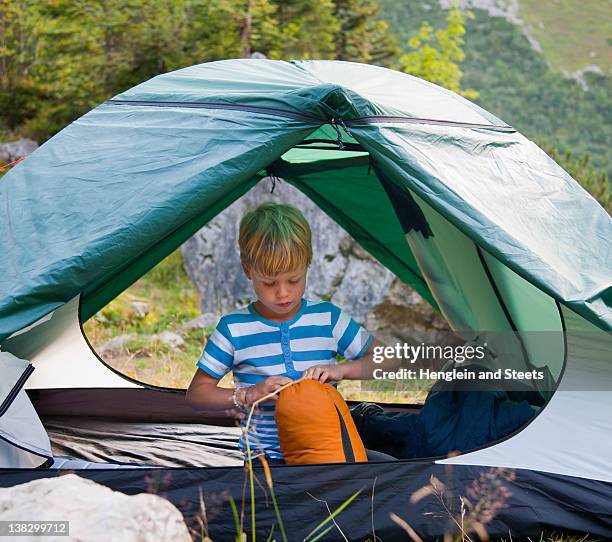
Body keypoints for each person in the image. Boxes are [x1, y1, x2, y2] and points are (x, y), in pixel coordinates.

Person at [186, 201, 387, 464]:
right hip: (266, 461)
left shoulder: (327, 318)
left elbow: (388, 359)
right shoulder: (234, 329)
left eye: (293, 280)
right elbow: (197, 395)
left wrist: (342, 370)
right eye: (269, 283)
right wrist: (246, 395)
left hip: (328, 451)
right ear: (248, 270)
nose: (283, 293)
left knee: (392, 472)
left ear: (308, 264)